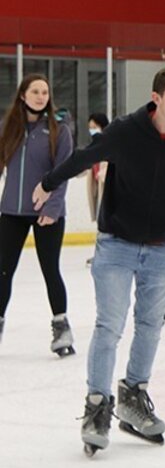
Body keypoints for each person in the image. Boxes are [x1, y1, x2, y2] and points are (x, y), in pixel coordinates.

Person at [32, 66, 165, 456]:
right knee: (109, 326)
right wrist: (49, 182)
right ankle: (97, 405)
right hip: (117, 244)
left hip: (162, 249)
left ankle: (133, 396)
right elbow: (83, 157)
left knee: (150, 326)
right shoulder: (126, 131)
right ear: (157, 98)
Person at [0, 74, 74, 356]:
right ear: (23, 95)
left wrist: (52, 208)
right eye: (35, 91)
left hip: (47, 213)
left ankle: (61, 327)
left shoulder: (58, 130)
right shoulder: (8, 129)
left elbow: (63, 171)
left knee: (50, 269)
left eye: (45, 92)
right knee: (3, 271)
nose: (41, 96)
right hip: (12, 212)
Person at [85, 112, 109, 267]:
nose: (92, 130)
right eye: (90, 128)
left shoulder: (110, 143)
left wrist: (104, 173)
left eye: (95, 127)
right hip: (98, 191)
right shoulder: (94, 145)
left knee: (106, 227)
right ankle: (101, 255)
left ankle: (104, 256)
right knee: (101, 226)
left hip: (108, 193)